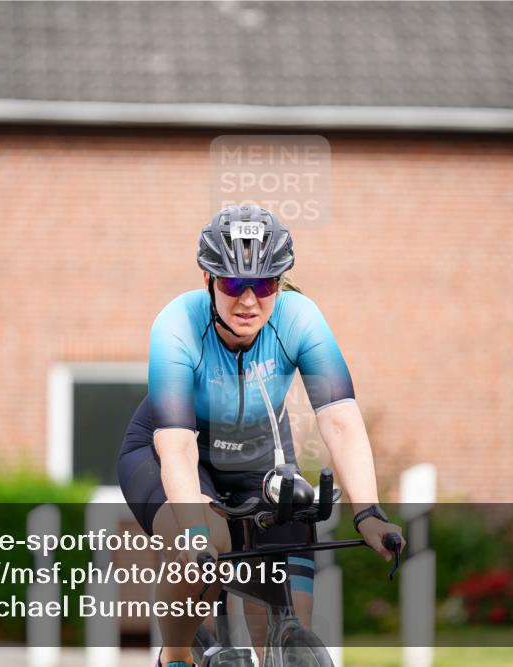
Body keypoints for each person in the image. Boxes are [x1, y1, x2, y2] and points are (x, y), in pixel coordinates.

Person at [118, 204, 402, 667]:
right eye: (233, 284)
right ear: (208, 279)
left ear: (281, 283)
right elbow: (178, 447)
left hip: (258, 457)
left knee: (292, 623)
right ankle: (176, 655)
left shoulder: (300, 318)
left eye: (265, 284)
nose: (249, 301)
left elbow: (340, 419)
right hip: (170, 454)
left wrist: (368, 512)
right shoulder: (177, 323)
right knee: (207, 546)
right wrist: (194, 532)